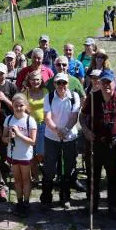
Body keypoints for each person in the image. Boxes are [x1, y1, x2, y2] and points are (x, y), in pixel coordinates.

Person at [81, 69, 116, 217]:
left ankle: (113, 206)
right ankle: (92, 203)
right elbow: (82, 117)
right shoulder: (93, 97)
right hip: (95, 143)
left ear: (114, 83)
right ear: (99, 83)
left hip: (114, 144)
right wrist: (86, 131)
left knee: (113, 176)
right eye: (103, 82)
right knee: (93, 175)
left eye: (109, 82)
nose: (106, 85)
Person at [42, 73, 81, 209]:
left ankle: (65, 196)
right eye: (59, 83)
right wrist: (57, 130)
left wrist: (65, 130)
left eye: (64, 83)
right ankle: (46, 197)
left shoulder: (74, 97)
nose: (61, 86)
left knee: (67, 168)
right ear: (54, 84)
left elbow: (74, 117)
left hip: (69, 137)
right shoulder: (49, 97)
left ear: (67, 84)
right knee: (49, 168)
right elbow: (47, 117)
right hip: (52, 137)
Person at [2, 93, 37, 217]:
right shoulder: (9, 119)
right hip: (13, 155)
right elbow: (3, 138)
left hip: (25, 155)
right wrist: (9, 137)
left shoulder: (29, 120)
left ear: (25, 105)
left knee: (26, 179)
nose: (18, 108)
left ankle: (26, 203)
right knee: (17, 180)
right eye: (16, 105)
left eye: (21, 105)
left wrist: (18, 134)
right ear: (12, 106)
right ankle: (19, 202)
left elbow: (32, 141)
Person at [25, 70, 48, 182]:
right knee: (32, 153)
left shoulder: (45, 91)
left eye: (38, 79)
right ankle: (35, 177)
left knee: (41, 152)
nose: (35, 81)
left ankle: (45, 174)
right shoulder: (26, 93)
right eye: (33, 79)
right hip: (29, 126)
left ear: (41, 80)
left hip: (43, 124)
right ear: (29, 81)